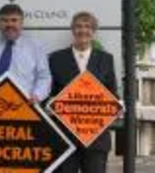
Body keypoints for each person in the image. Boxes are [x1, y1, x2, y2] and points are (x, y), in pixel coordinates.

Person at [49, 11, 118, 173]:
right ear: (73, 30)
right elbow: (49, 95)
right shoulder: (56, 58)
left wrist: (117, 105)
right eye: (79, 26)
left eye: (88, 27)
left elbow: (112, 93)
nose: (83, 30)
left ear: (94, 32)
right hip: (65, 137)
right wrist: (52, 104)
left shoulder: (106, 59)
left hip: (96, 139)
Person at [0, 4, 51, 103]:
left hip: (25, 105)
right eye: (4, 20)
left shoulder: (36, 46)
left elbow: (44, 77)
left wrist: (37, 95)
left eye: (14, 20)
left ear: (21, 22)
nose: (9, 24)